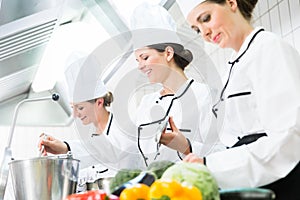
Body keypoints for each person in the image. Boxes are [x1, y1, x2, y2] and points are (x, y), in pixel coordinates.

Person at [163, 0, 300, 198]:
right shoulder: (232, 68)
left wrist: (211, 165)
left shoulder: (268, 48)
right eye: (196, 29)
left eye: (206, 18)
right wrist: (190, 149)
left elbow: (290, 138)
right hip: (256, 184)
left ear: (231, 3)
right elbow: (232, 140)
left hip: (284, 183)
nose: (204, 33)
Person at [131, 3, 224, 168]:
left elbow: (223, 153)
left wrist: (187, 147)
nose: (140, 66)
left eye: (144, 58)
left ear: (168, 53)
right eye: (137, 60)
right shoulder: (146, 104)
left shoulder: (205, 96)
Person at [38, 56, 142, 189]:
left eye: (80, 108)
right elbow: (93, 168)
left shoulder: (124, 129)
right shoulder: (94, 134)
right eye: (73, 108)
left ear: (99, 102)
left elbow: (111, 154)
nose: (75, 114)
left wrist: (66, 147)